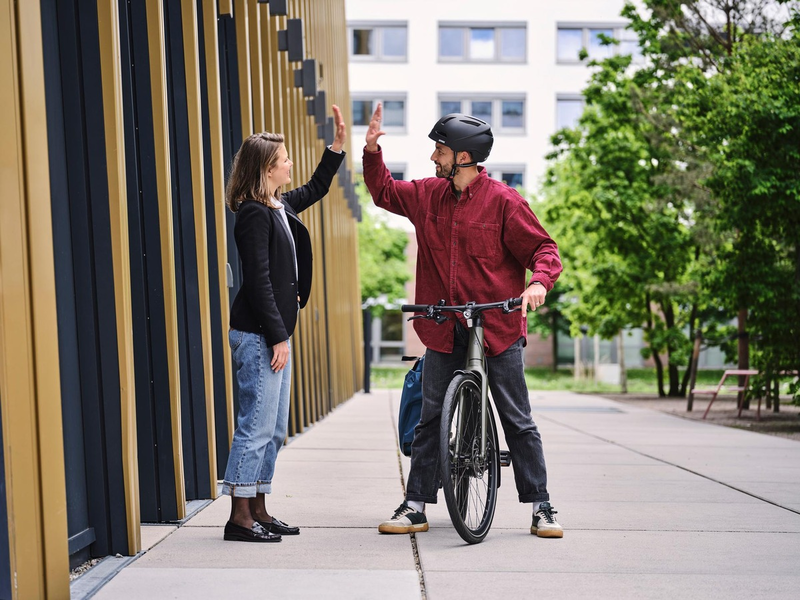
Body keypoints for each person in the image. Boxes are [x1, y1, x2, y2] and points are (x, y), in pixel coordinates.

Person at [363, 104, 564, 539]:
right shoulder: (427, 196)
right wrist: (373, 151)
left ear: (464, 158)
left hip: (498, 327)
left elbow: (544, 251)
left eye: (440, 151)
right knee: (431, 418)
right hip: (443, 325)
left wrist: (538, 284)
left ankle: (541, 506)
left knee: (518, 419)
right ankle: (415, 505)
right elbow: (384, 193)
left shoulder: (505, 203)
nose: (434, 158)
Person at [221, 105, 346, 542]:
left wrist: (336, 148)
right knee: (255, 425)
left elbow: (314, 187)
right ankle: (239, 517)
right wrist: (277, 336)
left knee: (273, 429)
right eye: (285, 159)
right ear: (268, 168)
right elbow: (256, 281)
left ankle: (259, 507)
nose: (291, 163)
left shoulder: (277, 205)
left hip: (274, 334)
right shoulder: (253, 213)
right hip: (259, 335)